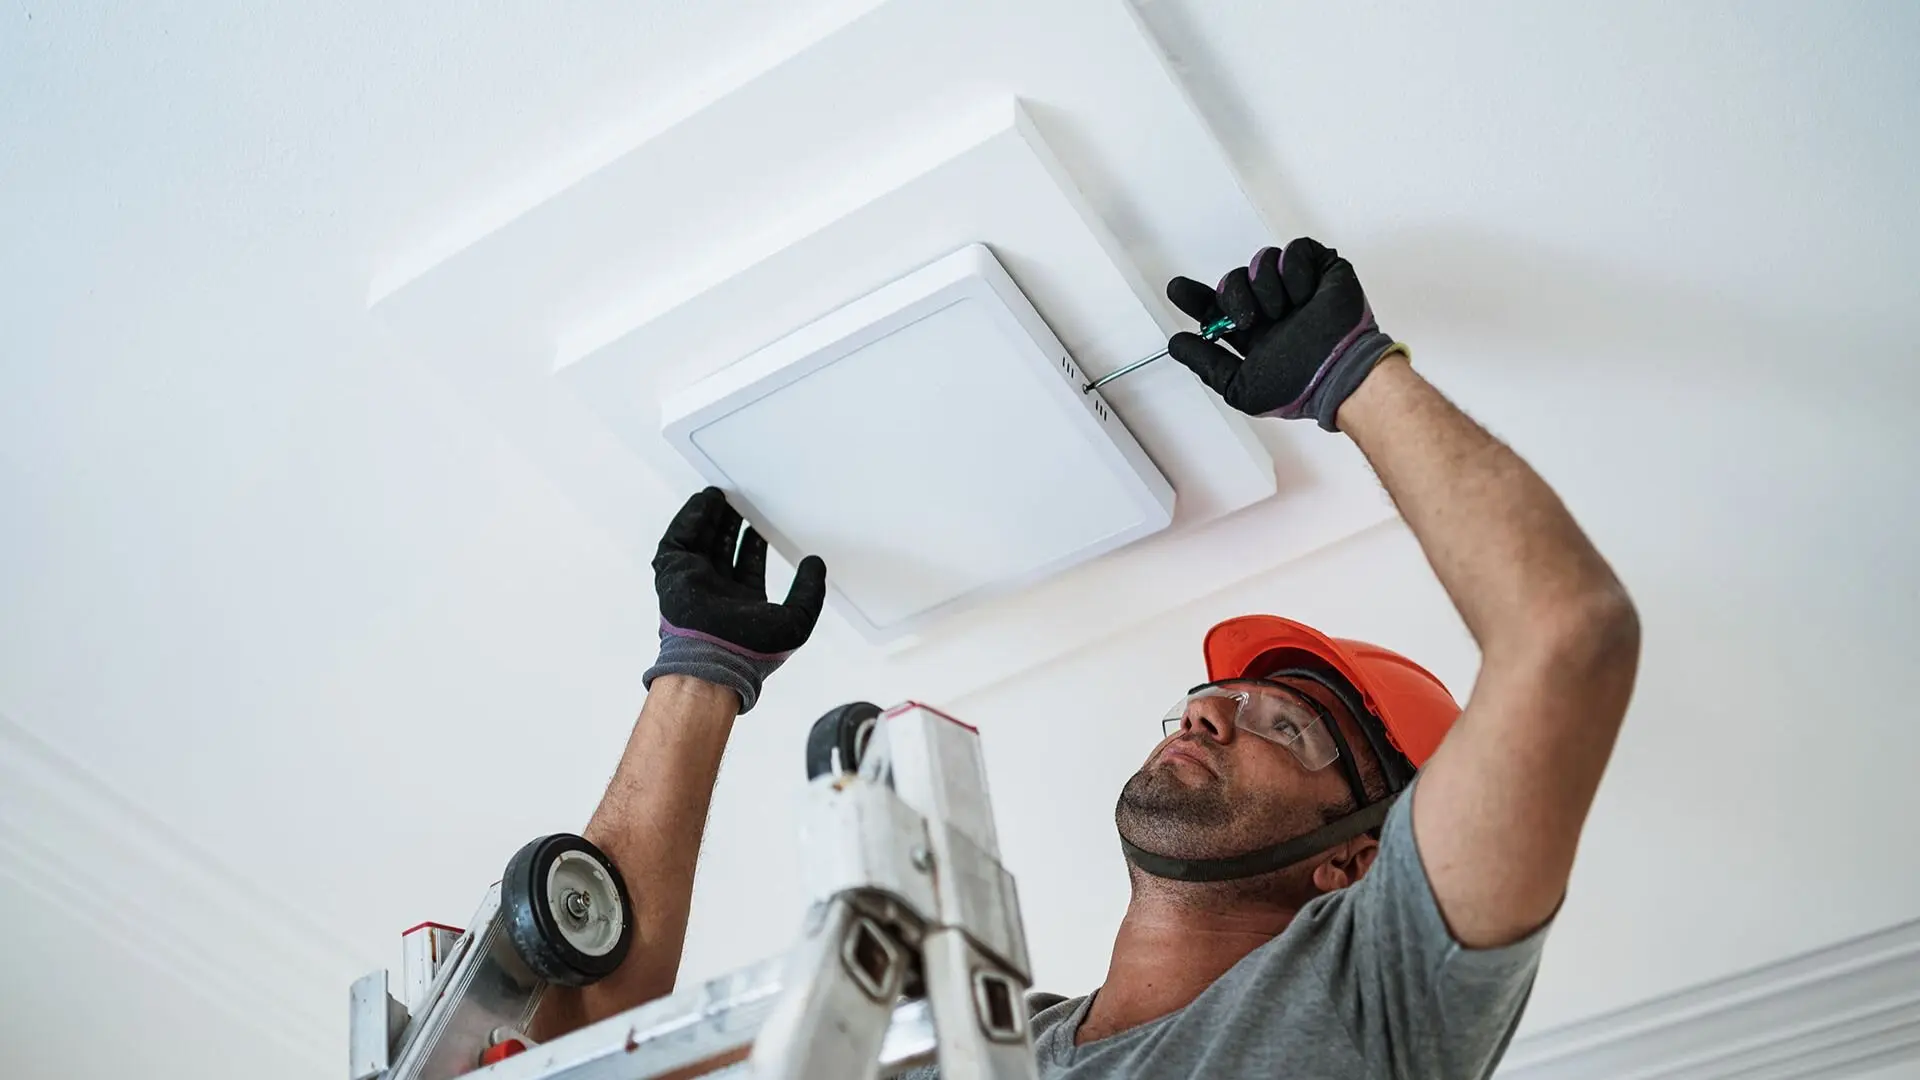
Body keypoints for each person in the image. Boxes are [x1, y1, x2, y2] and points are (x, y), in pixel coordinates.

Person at [533, 239, 1641, 1078]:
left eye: (1284, 727)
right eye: (1207, 701)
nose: (1210, 717)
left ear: (1351, 861)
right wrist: (699, 677)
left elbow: (1567, 638)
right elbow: (595, 1051)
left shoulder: (1375, 1000)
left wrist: (1353, 375)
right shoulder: (947, 1034)